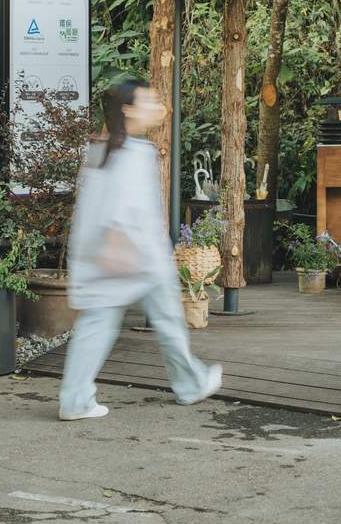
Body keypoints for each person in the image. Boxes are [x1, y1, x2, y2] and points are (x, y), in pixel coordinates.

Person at [59, 80, 222, 421]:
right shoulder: (135, 153)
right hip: (138, 258)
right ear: (128, 110)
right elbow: (127, 212)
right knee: (169, 322)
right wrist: (141, 256)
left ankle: (75, 399)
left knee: (97, 325)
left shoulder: (101, 150)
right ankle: (190, 384)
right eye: (147, 100)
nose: (156, 105)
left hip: (101, 256)